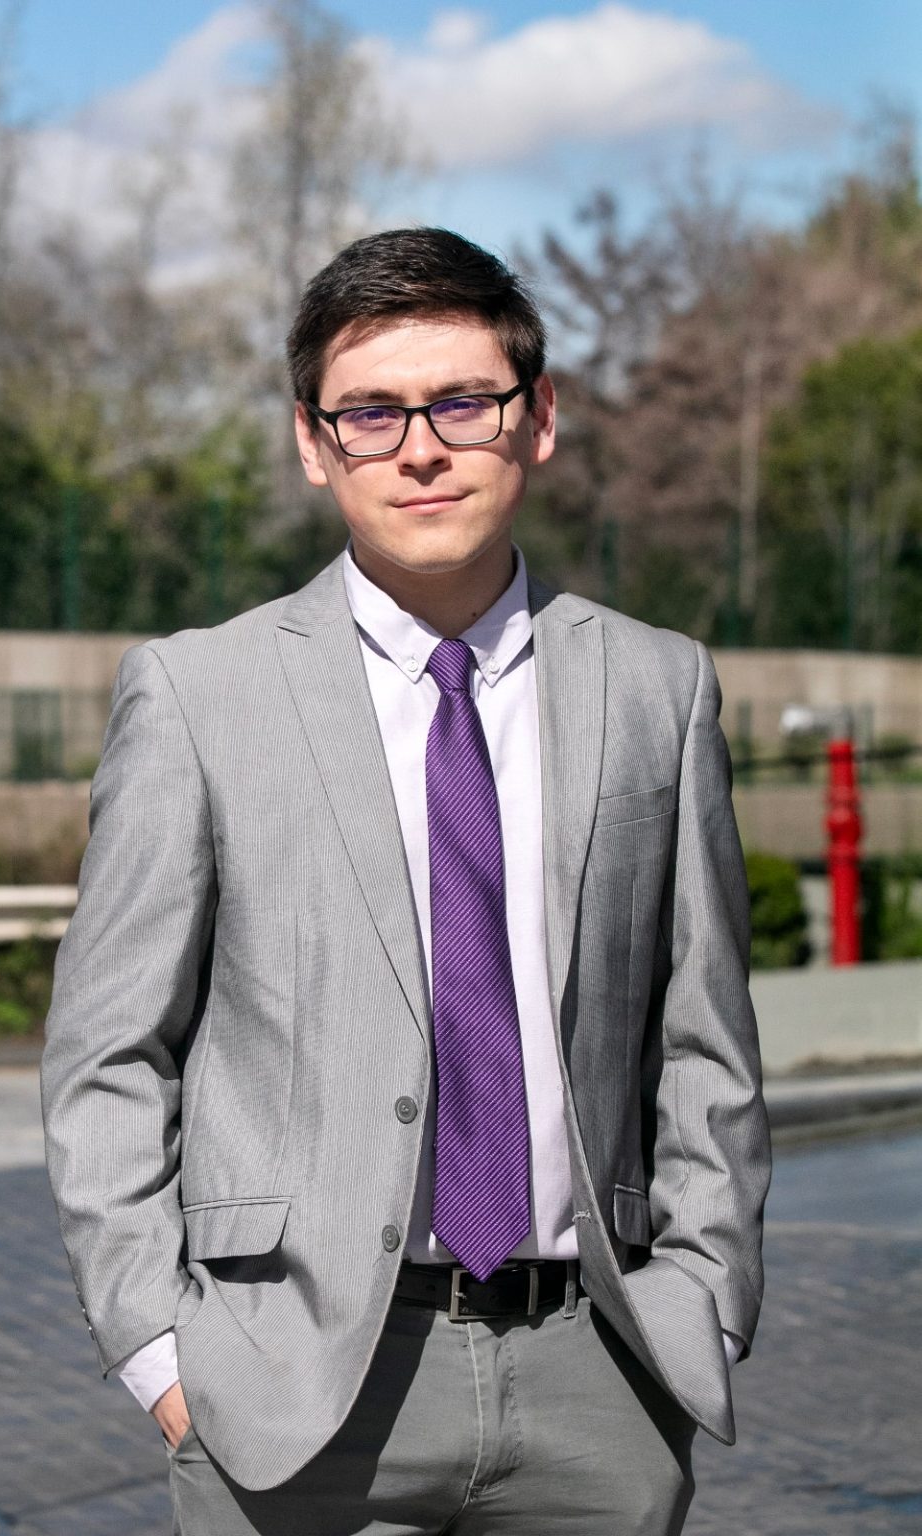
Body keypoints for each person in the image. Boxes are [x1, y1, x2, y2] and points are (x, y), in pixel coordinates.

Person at [41, 227, 771, 1535]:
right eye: (371, 413)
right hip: (290, 1391)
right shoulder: (199, 695)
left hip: (599, 1379)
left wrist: (704, 1298)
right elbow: (108, 1054)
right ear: (313, 444)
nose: (420, 448)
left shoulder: (658, 688)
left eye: (462, 402)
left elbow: (702, 1035)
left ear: (537, 419)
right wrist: (161, 1352)